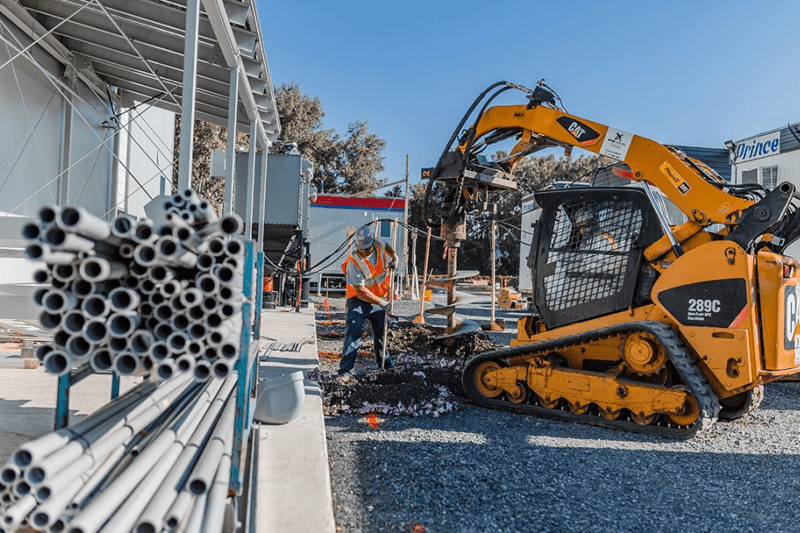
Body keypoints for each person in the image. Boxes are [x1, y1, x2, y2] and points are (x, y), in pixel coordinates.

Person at [338, 224, 398, 378]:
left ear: (372, 243)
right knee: (353, 334)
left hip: (377, 300)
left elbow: (387, 246)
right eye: (360, 248)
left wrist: (395, 257)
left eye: (366, 248)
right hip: (358, 301)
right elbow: (360, 290)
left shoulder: (378, 243)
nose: (363, 251)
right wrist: (382, 303)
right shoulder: (353, 261)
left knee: (381, 333)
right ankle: (346, 371)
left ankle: (385, 365)